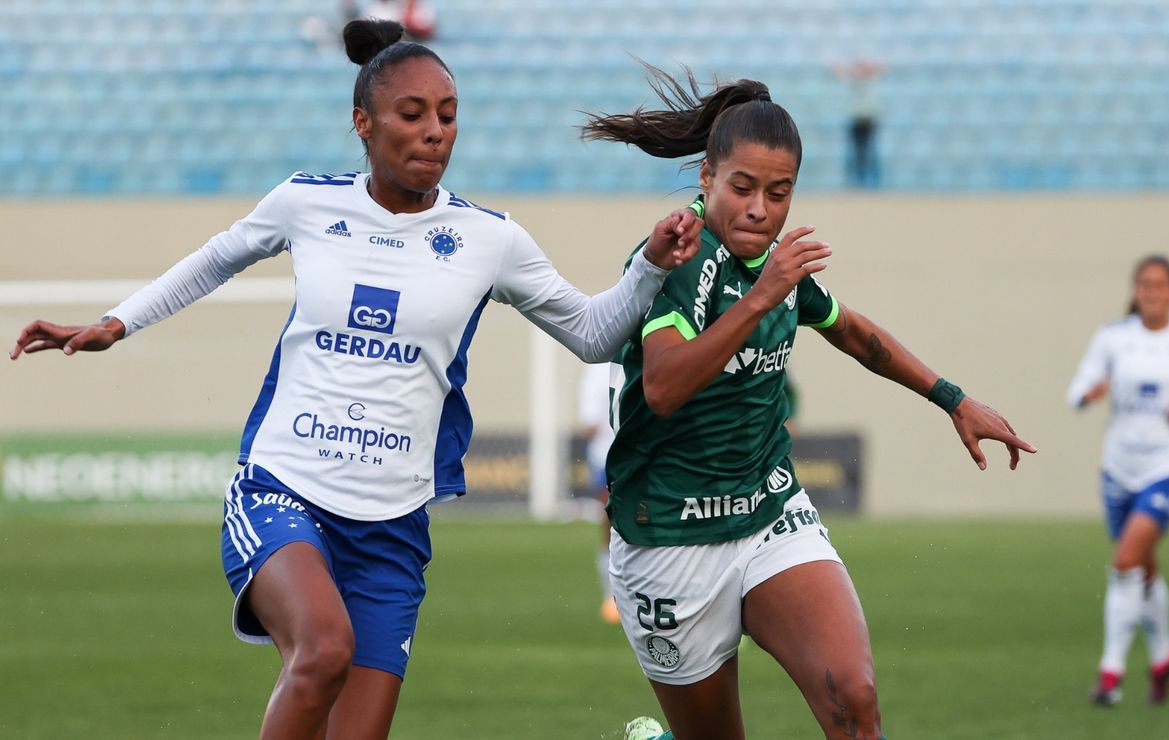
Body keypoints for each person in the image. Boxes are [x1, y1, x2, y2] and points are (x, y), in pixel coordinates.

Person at [8, 20, 702, 740]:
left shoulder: (489, 239)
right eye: (412, 114)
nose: (435, 131)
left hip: (393, 529)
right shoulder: (307, 203)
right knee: (323, 650)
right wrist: (114, 323)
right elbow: (216, 258)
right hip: (284, 489)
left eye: (448, 115)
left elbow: (593, 335)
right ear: (362, 124)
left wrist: (648, 266)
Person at [581, 65, 1036, 740]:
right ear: (706, 178)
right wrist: (765, 294)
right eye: (743, 187)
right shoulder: (677, 254)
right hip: (668, 537)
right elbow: (665, 386)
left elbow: (852, 332)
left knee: (854, 702)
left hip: (769, 512)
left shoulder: (778, 265)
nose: (761, 208)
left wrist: (952, 398)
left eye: (779, 191)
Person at [1066, 254, 1169, 707]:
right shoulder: (1114, 338)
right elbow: (1077, 388)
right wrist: (1087, 393)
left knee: (1125, 562)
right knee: (1142, 563)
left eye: (1160, 285)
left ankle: (1110, 673)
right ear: (1136, 290)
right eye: (1144, 284)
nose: (1151, 292)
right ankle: (1165, 655)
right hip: (1119, 468)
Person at [576, 360, 620, 623]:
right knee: (611, 526)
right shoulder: (598, 370)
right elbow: (589, 423)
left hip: (638, 457)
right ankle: (611, 596)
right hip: (607, 458)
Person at [832, 59, 885, 189]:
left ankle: (873, 183)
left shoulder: (871, 80)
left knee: (871, 153)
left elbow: (882, 67)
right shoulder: (852, 81)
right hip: (856, 121)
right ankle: (858, 183)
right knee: (856, 153)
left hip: (869, 120)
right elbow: (838, 72)